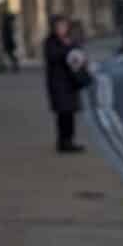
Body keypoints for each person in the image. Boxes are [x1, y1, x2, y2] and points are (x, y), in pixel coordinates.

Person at [42, 14, 90, 153]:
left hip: (71, 81)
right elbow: (53, 56)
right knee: (63, 113)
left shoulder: (70, 40)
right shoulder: (50, 42)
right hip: (58, 82)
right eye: (60, 26)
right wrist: (67, 49)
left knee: (70, 113)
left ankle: (69, 140)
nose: (63, 28)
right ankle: (63, 142)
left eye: (64, 25)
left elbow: (79, 54)